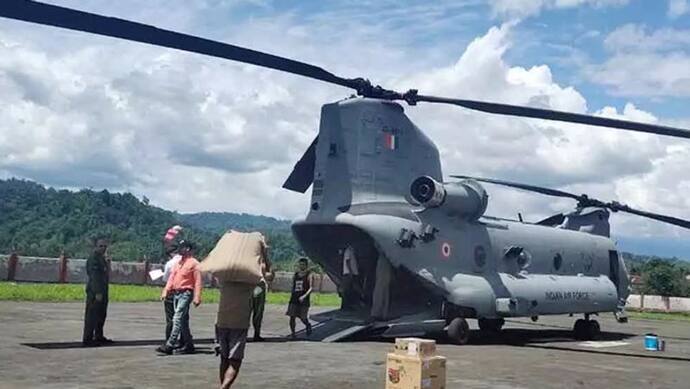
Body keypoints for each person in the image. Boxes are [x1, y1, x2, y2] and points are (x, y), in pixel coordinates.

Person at [157, 240, 202, 355]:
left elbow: (197, 282)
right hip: (176, 293)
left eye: (182, 248)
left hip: (186, 293)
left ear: (188, 249)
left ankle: (170, 344)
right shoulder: (178, 263)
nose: (179, 251)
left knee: (176, 318)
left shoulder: (194, 264)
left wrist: (197, 297)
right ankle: (189, 345)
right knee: (182, 321)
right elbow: (171, 278)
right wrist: (165, 291)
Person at [216, 280, 255, 388]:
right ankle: (224, 387)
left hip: (222, 320)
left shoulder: (224, 280)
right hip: (239, 322)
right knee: (235, 360)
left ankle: (223, 386)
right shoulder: (249, 281)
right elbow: (264, 281)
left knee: (224, 358)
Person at [82, 238, 112, 347]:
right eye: (101, 246)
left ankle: (99, 336)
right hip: (95, 291)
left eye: (105, 246)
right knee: (92, 315)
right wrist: (98, 292)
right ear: (96, 247)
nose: (103, 248)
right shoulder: (93, 258)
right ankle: (88, 339)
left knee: (101, 314)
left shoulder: (102, 259)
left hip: (103, 290)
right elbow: (94, 277)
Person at [250, 243, 273, 342]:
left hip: (253, 286)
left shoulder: (260, 261)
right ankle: (256, 333)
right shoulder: (260, 262)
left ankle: (255, 333)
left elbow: (270, 276)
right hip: (257, 286)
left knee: (255, 311)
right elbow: (269, 276)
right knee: (257, 311)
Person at [287, 257, 315, 339]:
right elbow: (293, 286)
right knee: (292, 316)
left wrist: (304, 296)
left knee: (303, 317)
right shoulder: (296, 274)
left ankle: (308, 325)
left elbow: (311, 288)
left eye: (303, 265)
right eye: (300, 264)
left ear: (306, 265)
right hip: (294, 298)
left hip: (304, 299)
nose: (301, 266)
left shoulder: (309, 275)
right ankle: (293, 334)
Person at [162, 243, 183, 343]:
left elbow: (165, 278)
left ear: (170, 254)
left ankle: (169, 340)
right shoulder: (187, 261)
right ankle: (184, 340)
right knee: (182, 318)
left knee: (170, 318)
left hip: (171, 291)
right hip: (184, 292)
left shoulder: (170, 263)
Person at [370, 254, 393, 321]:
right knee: (380, 287)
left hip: (388, 259)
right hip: (385, 257)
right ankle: (376, 313)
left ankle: (383, 314)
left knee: (385, 288)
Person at [340, 244, 359, 311]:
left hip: (352, 273)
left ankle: (348, 305)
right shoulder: (348, 251)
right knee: (347, 290)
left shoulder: (352, 251)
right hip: (349, 273)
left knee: (350, 290)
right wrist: (350, 272)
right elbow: (347, 261)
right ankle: (346, 306)